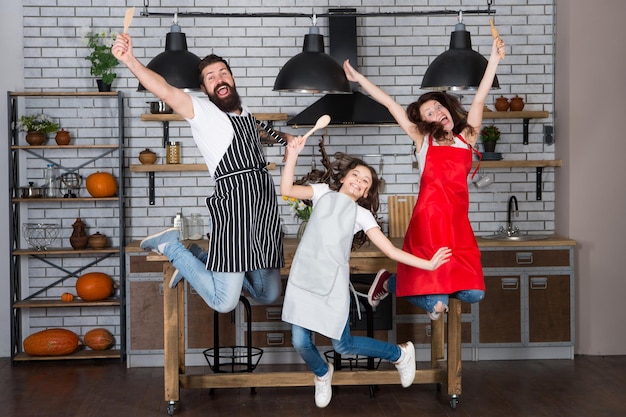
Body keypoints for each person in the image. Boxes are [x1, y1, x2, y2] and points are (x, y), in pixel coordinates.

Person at [112, 34, 297, 313]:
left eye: (223, 72)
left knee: (269, 294)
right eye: (211, 77)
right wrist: (129, 60)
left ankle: (197, 260)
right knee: (224, 303)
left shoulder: (243, 113)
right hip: (235, 209)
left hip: (263, 210)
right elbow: (165, 90)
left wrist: (285, 139)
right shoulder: (202, 111)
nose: (219, 78)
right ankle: (170, 246)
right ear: (204, 88)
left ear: (232, 79)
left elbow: (258, 133)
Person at [280, 135, 451, 408]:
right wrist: (293, 154)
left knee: (343, 346)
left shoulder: (362, 215)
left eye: (365, 181)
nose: (358, 181)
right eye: (356, 175)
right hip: (303, 278)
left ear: (366, 193)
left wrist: (428, 264)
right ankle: (322, 373)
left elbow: (391, 252)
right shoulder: (322, 191)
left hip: (332, 284)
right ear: (345, 177)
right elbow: (287, 188)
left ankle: (399, 353)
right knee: (300, 341)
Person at [343, 34, 506, 319]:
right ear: (425, 122)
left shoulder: (466, 138)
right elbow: (391, 105)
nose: (437, 112)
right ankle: (401, 286)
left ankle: (409, 286)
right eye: (429, 113)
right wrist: (360, 80)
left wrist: (493, 59)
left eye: (438, 107)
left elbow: (480, 98)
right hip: (428, 224)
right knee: (438, 304)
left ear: (447, 109)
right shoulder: (423, 141)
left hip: (458, 225)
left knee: (474, 292)